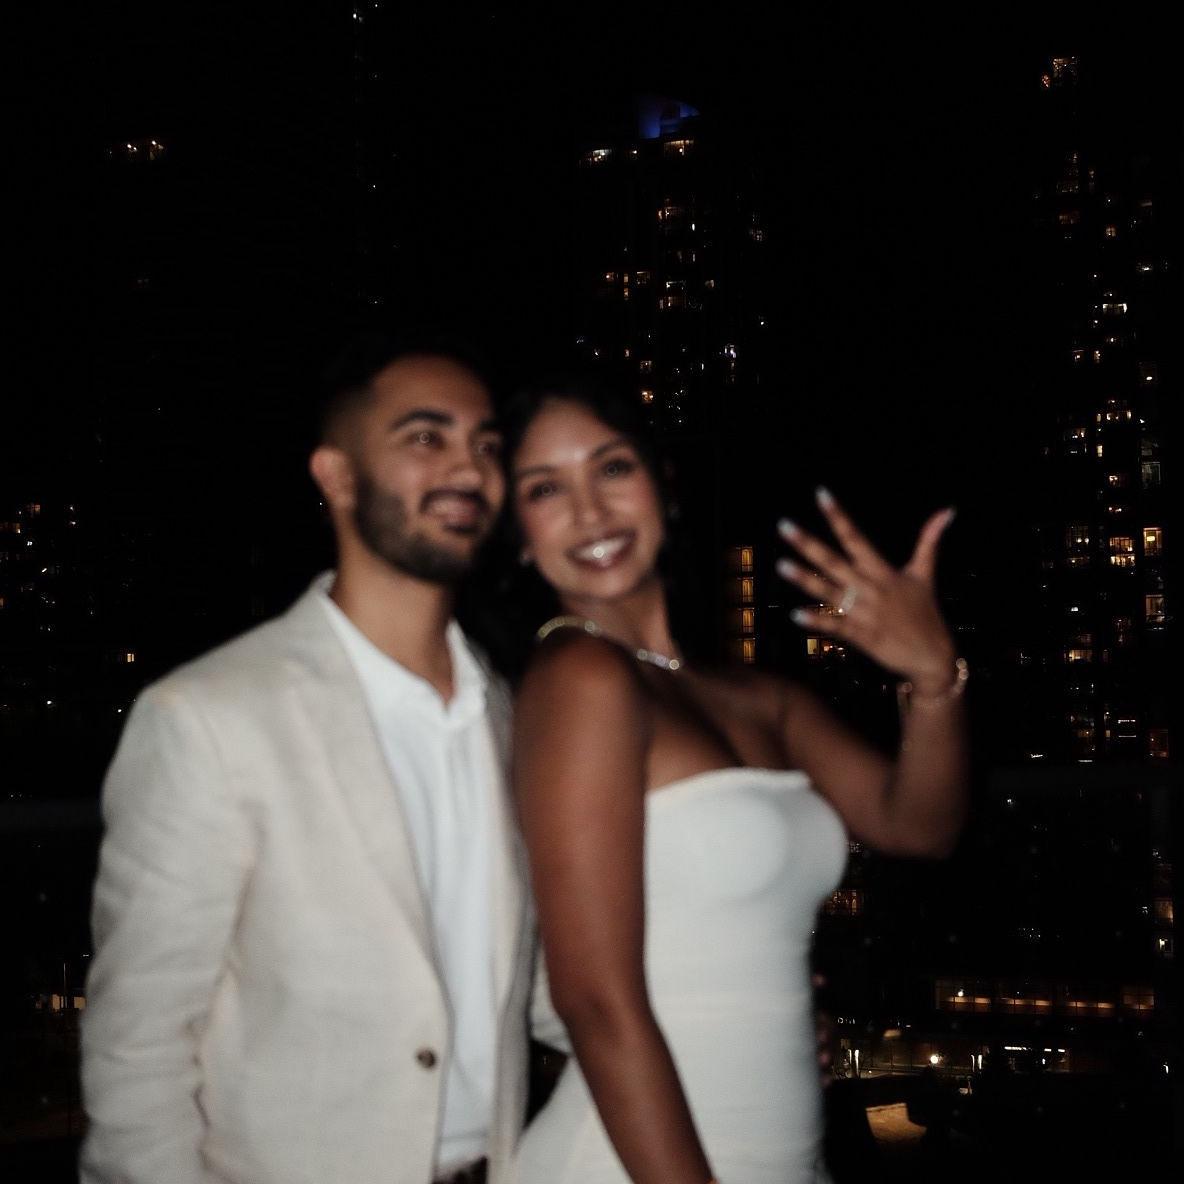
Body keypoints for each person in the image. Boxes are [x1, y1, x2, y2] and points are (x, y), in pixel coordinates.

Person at [80, 334, 533, 1184]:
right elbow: (135, 1049)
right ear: (337, 476)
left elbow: (538, 984)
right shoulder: (208, 719)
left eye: (487, 445)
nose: (469, 469)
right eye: (426, 437)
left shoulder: (507, 715)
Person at [501, 376, 969, 1184]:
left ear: (663, 484)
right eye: (546, 489)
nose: (590, 510)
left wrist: (932, 678)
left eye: (612, 468)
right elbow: (594, 1001)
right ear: (517, 533)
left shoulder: (755, 697)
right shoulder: (580, 676)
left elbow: (918, 825)